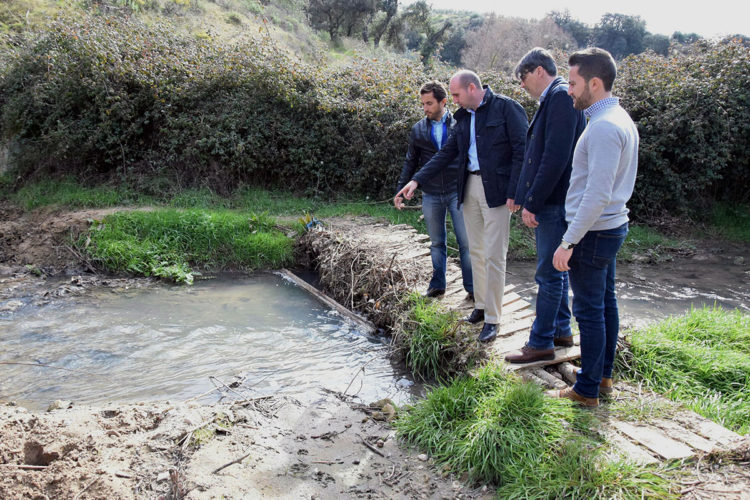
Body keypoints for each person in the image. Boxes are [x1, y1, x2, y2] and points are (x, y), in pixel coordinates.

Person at [395, 70, 528, 343]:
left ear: (471, 87)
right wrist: (416, 181)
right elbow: (447, 154)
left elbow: (522, 152)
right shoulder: (464, 116)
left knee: (494, 254)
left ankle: (493, 318)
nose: (453, 100)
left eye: (455, 95)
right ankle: (480, 306)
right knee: (477, 250)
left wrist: (517, 192)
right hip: (468, 188)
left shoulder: (507, 108)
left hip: (498, 192)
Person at [547, 48, 639, 407]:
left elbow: (597, 193)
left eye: (572, 82)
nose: (568, 89)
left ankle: (585, 390)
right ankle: (602, 377)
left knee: (588, 311)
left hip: (593, 231)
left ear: (595, 83)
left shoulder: (603, 127)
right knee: (605, 304)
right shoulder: (618, 118)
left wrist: (568, 241)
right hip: (609, 227)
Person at [505, 48, 586, 364]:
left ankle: (540, 343)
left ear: (539, 70)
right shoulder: (557, 98)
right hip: (555, 199)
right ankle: (562, 330)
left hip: (553, 201)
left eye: (523, 78)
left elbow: (555, 157)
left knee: (548, 275)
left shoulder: (561, 97)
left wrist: (532, 202)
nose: (522, 86)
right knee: (556, 268)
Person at [394, 81, 473, 300]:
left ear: (443, 102)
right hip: (430, 193)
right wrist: (401, 189)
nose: (425, 108)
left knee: (465, 243)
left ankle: (472, 288)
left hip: (457, 190)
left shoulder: (460, 123)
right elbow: (411, 162)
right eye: (423, 104)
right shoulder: (418, 129)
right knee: (437, 242)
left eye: (429, 103)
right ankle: (438, 285)